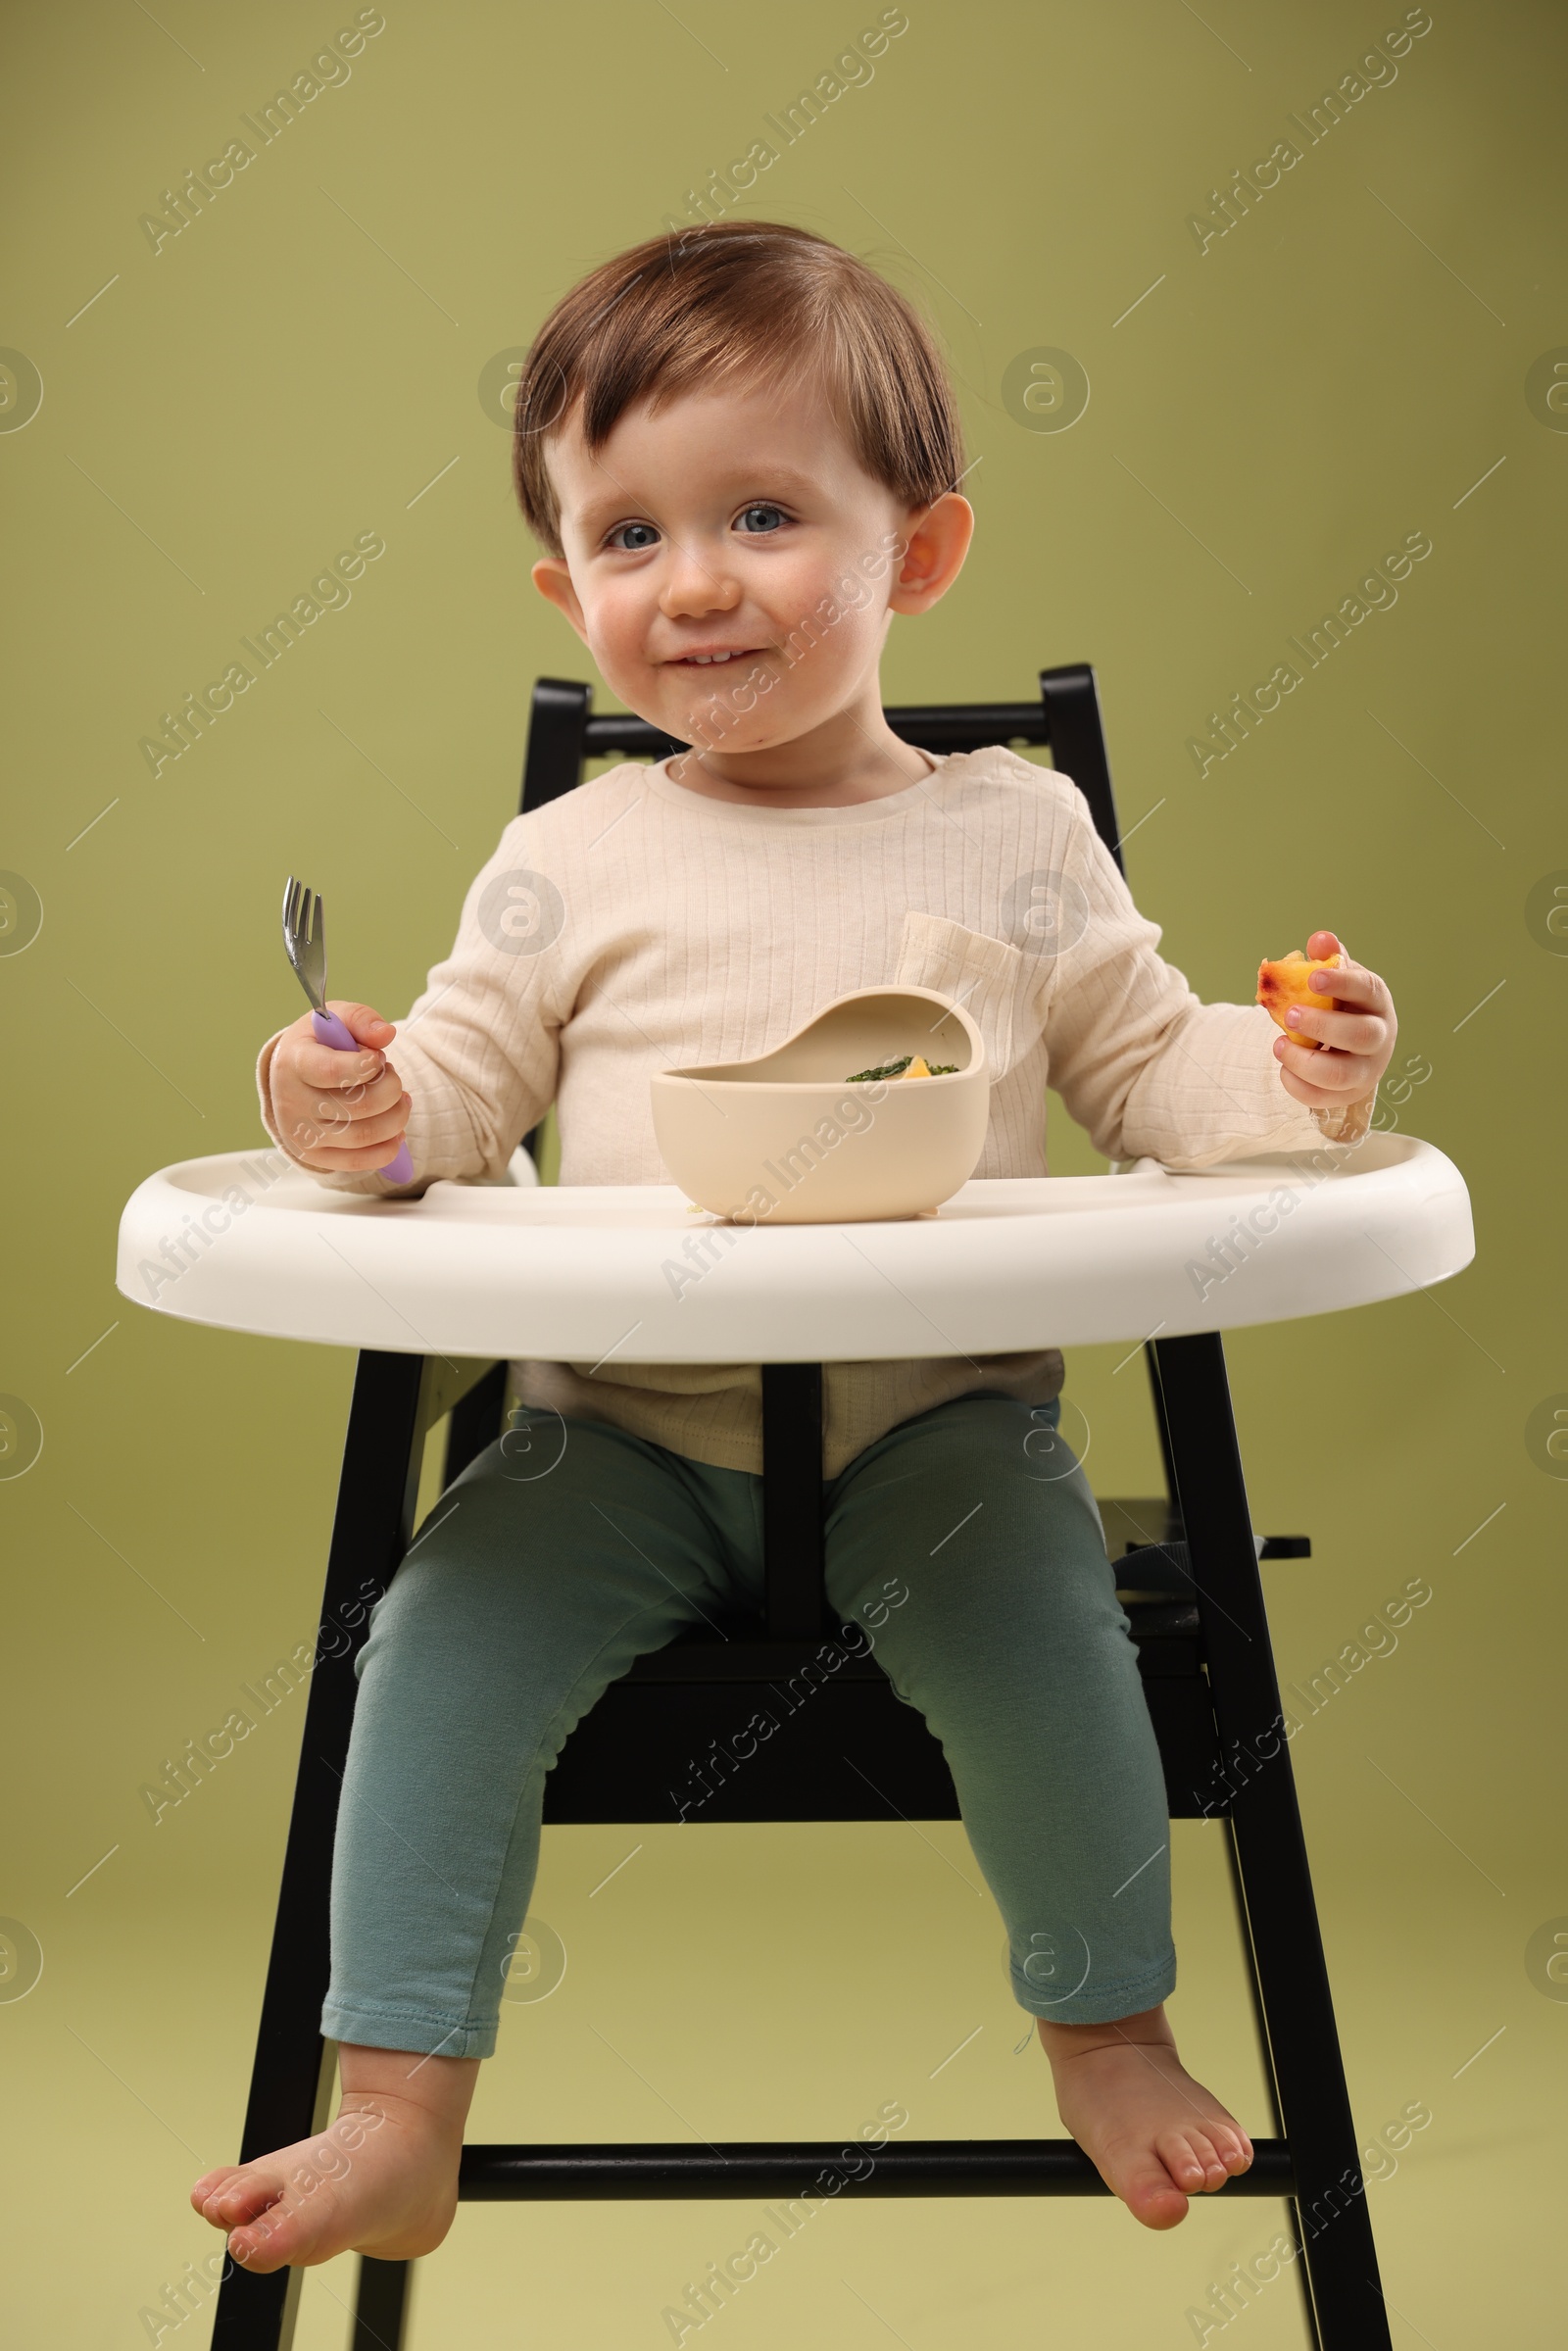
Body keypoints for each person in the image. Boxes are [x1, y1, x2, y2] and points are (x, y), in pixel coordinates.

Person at [192, 220, 1397, 2272]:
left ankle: (1104, 2031)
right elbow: (460, 1091)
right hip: (613, 1433)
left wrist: (1292, 1069)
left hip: (940, 1428)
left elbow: (1146, 1072)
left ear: (915, 553)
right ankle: (395, 2104)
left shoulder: (1014, 835)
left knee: (1052, 1660)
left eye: (763, 513)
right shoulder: (564, 857)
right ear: (570, 589)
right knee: (433, 1650)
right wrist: (360, 1109)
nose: (698, 581)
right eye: (633, 532)